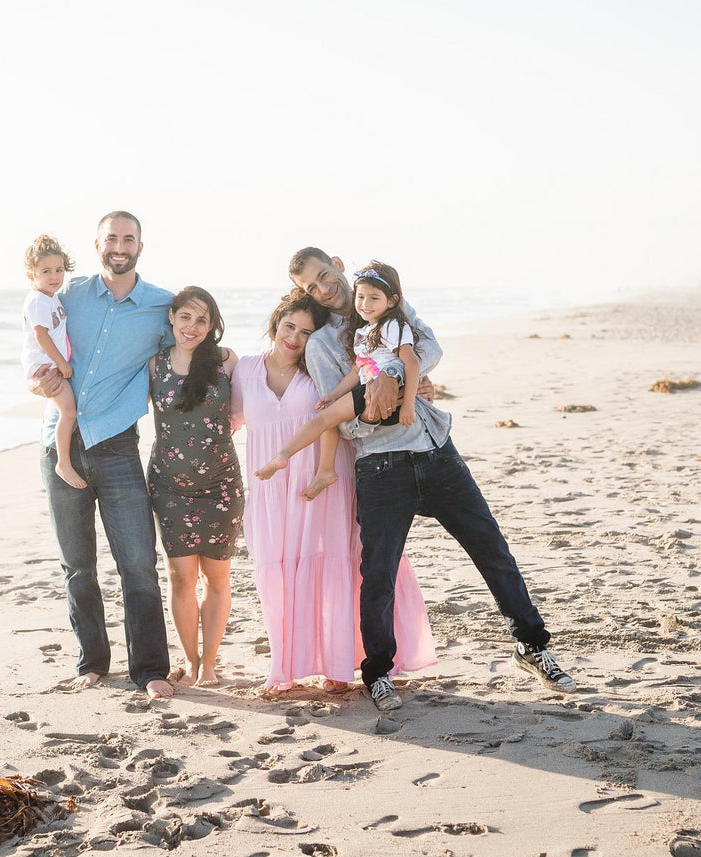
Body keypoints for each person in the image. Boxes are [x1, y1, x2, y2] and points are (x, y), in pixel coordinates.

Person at [288, 246, 577, 712]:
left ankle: (532, 645)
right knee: (376, 574)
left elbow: (432, 347)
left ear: (338, 265)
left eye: (325, 275)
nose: (325, 289)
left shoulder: (384, 302)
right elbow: (342, 422)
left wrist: (398, 377)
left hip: (436, 451)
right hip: (381, 469)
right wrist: (376, 392)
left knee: (492, 549)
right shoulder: (322, 344)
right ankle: (378, 672)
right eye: (311, 287)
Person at [232, 289, 435, 696]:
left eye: (307, 332)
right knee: (276, 572)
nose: (295, 338)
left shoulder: (322, 371)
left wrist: (419, 387)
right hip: (271, 489)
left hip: (325, 480)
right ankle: (284, 667)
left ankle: (340, 665)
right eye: (289, 327)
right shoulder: (243, 371)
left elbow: (377, 378)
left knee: (334, 569)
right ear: (275, 325)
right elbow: (224, 418)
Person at [29, 211, 175, 699]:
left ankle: (151, 669)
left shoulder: (162, 307)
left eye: (128, 238)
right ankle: (92, 661)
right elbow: (32, 353)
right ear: (96, 245)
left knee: (138, 563)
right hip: (60, 444)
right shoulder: (64, 297)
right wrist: (38, 382)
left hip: (117, 446)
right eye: (111, 237)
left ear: (140, 244)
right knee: (78, 566)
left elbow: (193, 350)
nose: (119, 245)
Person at [255, 260, 420, 498]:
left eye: (373, 298)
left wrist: (408, 404)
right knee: (324, 415)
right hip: (365, 390)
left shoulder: (391, 325)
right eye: (361, 298)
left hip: (389, 389)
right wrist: (333, 395)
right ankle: (285, 458)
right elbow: (357, 369)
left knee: (325, 419)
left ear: (392, 301)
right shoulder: (363, 332)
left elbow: (413, 361)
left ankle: (307, 465)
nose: (364, 304)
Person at [147, 287, 243, 687]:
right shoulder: (155, 365)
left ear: (212, 325)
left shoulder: (226, 361)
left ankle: (210, 664)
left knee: (217, 578)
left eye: (202, 319)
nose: (193, 327)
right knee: (182, 578)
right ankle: (190, 660)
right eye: (185, 317)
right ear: (172, 317)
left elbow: (274, 386)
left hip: (222, 485)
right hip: (169, 486)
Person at [22, 236, 86, 490]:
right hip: (46, 367)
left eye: (59, 270)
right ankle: (63, 463)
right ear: (31, 274)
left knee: (67, 411)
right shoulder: (38, 300)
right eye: (46, 271)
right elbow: (41, 335)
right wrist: (61, 363)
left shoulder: (51, 298)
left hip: (50, 364)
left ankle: (64, 460)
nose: (54, 276)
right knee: (68, 412)